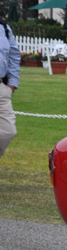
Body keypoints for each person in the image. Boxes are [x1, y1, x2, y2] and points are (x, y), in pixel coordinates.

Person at [0, 17, 21, 159]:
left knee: (8, 131)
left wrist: (11, 85)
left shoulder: (5, 28)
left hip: (2, 88)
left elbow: (14, 56)